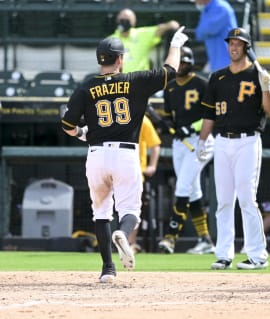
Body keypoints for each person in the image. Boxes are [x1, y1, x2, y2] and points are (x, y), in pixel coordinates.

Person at [60, 28, 188, 283]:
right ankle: (124, 233)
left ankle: (108, 269)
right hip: (125, 154)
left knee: (101, 213)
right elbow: (170, 71)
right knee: (130, 210)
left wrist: (84, 133)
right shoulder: (134, 80)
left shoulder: (86, 87)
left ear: (100, 60)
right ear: (119, 59)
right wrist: (175, 44)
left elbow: (68, 125)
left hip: (96, 155)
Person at [196, 27, 270, 270]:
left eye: (238, 43)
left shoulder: (259, 74)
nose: (233, 47)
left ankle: (258, 255)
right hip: (222, 141)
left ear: (246, 47)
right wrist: (202, 141)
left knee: (246, 198)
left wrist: (265, 87)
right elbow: (209, 114)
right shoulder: (217, 77)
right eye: (231, 43)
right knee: (223, 200)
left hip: (248, 140)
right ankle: (224, 253)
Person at [157, 46, 216, 254]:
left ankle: (170, 238)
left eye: (183, 62)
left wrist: (192, 127)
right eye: (178, 62)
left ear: (190, 63)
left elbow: (212, 114)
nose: (180, 66)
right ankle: (205, 239)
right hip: (179, 143)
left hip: (201, 140)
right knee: (192, 191)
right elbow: (168, 117)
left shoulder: (201, 83)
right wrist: (165, 124)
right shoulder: (170, 87)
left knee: (182, 186)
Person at [128, 116, 161, 254]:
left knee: (132, 209)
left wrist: (152, 166)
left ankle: (130, 243)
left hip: (136, 171)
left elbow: (155, 144)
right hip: (115, 171)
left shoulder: (143, 119)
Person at [111, 8, 180, 73]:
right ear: (117, 20)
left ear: (133, 22)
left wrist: (172, 25)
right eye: (122, 19)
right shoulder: (110, 40)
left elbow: (165, 27)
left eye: (127, 20)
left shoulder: (142, 34)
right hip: (119, 82)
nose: (124, 22)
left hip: (140, 80)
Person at [194, 0, 238, 72]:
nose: (195, 2)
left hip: (227, 62)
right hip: (216, 62)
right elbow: (199, 34)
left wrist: (201, 31)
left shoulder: (221, 7)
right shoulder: (207, 9)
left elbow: (204, 31)